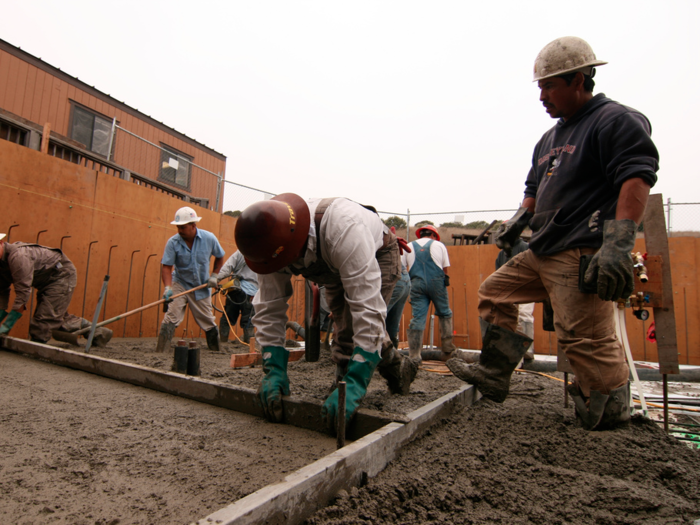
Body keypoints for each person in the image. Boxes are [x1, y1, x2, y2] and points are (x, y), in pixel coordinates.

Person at [447, 36, 659, 431]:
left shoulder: (613, 120)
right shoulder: (550, 139)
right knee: (495, 293)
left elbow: (636, 176)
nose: (542, 95)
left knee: (583, 339)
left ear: (579, 80)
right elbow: (533, 191)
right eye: (540, 87)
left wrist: (617, 243)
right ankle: (495, 373)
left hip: (580, 249)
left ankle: (610, 417)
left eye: (549, 86)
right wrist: (517, 221)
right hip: (543, 248)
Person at [234, 193, 419, 431]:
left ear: (296, 246)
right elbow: (270, 307)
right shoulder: (270, 243)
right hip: (332, 264)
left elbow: (368, 309)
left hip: (377, 253)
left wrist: (356, 383)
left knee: (355, 327)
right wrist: (273, 367)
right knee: (346, 331)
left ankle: (351, 385)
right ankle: (389, 371)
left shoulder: (343, 228)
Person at [0, 233, 112, 345]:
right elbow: (2, 291)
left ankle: (36, 345)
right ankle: (99, 333)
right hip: (46, 281)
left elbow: (23, 294)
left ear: (1, 243)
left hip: (61, 276)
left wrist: (7, 325)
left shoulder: (19, 257)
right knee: (55, 317)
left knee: (44, 320)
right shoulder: (2, 262)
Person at [157, 206, 225, 353]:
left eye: (183, 227)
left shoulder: (209, 238)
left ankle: (216, 350)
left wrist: (214, 275)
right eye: (178, 227)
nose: (180, 231)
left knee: (207, 319)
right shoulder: (173, 243)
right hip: (180, 283)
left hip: (201, 285)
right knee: (171, 316)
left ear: (193, 225)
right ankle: (161, 350)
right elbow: (167, 267)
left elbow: (220, 257)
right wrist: (168, 288)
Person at [405, 224, 456, 361]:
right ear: (434, 235)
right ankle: (447, 349)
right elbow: (445, 270)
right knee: (445, 313)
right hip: (437, 283)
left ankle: (414, 355)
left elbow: (403, 268)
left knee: (418, 317)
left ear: (421, 234)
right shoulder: (439, 245)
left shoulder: (408, 245)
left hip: (416, 284)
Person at [494, 230, 535, 361]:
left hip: (525, 289)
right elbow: (498, 275)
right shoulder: (502, 254)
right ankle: (515, 353)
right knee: (511, 320)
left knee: (524, 316)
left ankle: (527, 350)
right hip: (509, 292)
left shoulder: (525, 248)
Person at [217, 250, 258, 344]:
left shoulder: (241, 251)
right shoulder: (265, 254)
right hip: (251, 293)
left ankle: (222, 342)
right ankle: (249, 345)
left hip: (235, 289)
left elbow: (228, 266)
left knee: (227, 318)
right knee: (249, 321)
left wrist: (217, 279)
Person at [385, 227, 410, 349]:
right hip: (404, 279)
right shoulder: (385, 234)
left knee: (374, 320)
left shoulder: (371, 234)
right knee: (391, 326)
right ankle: (391, 361)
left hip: (393, 279)